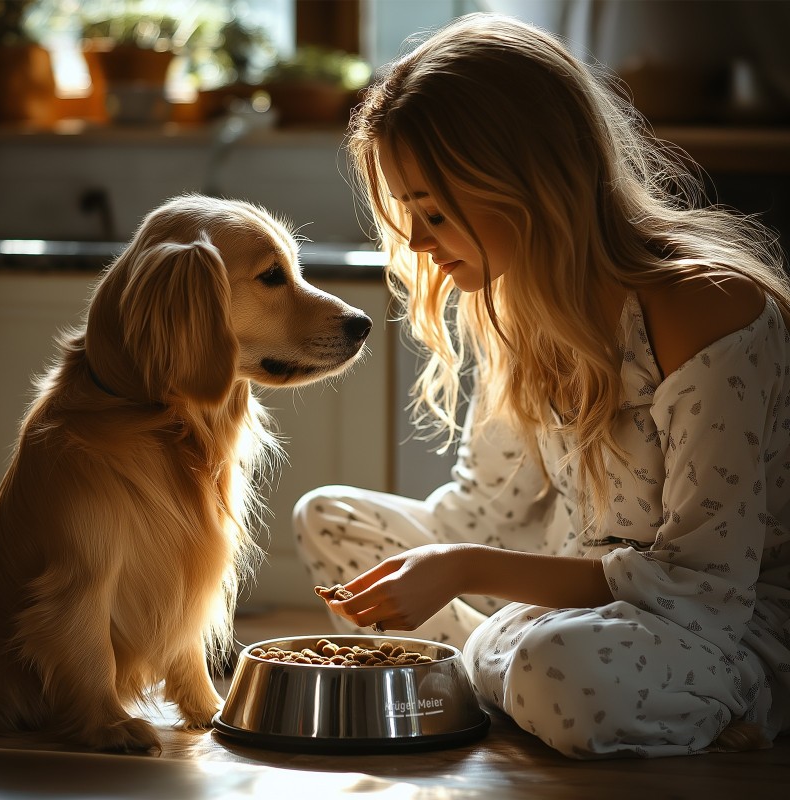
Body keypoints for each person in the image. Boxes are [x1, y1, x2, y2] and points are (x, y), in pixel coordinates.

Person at [292, 12, 790, 759]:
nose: (420, 243)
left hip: (712, 629)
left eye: (434, 210)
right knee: (328, 519)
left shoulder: (706, 307)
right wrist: (434, 563)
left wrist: (463, 571)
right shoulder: (514, 305)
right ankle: (490, 679)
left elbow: (704, 586)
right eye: (408, 213)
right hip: (560, 608)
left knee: (556, 668)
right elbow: (483, 510)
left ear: (525, 181)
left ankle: (502, 683)